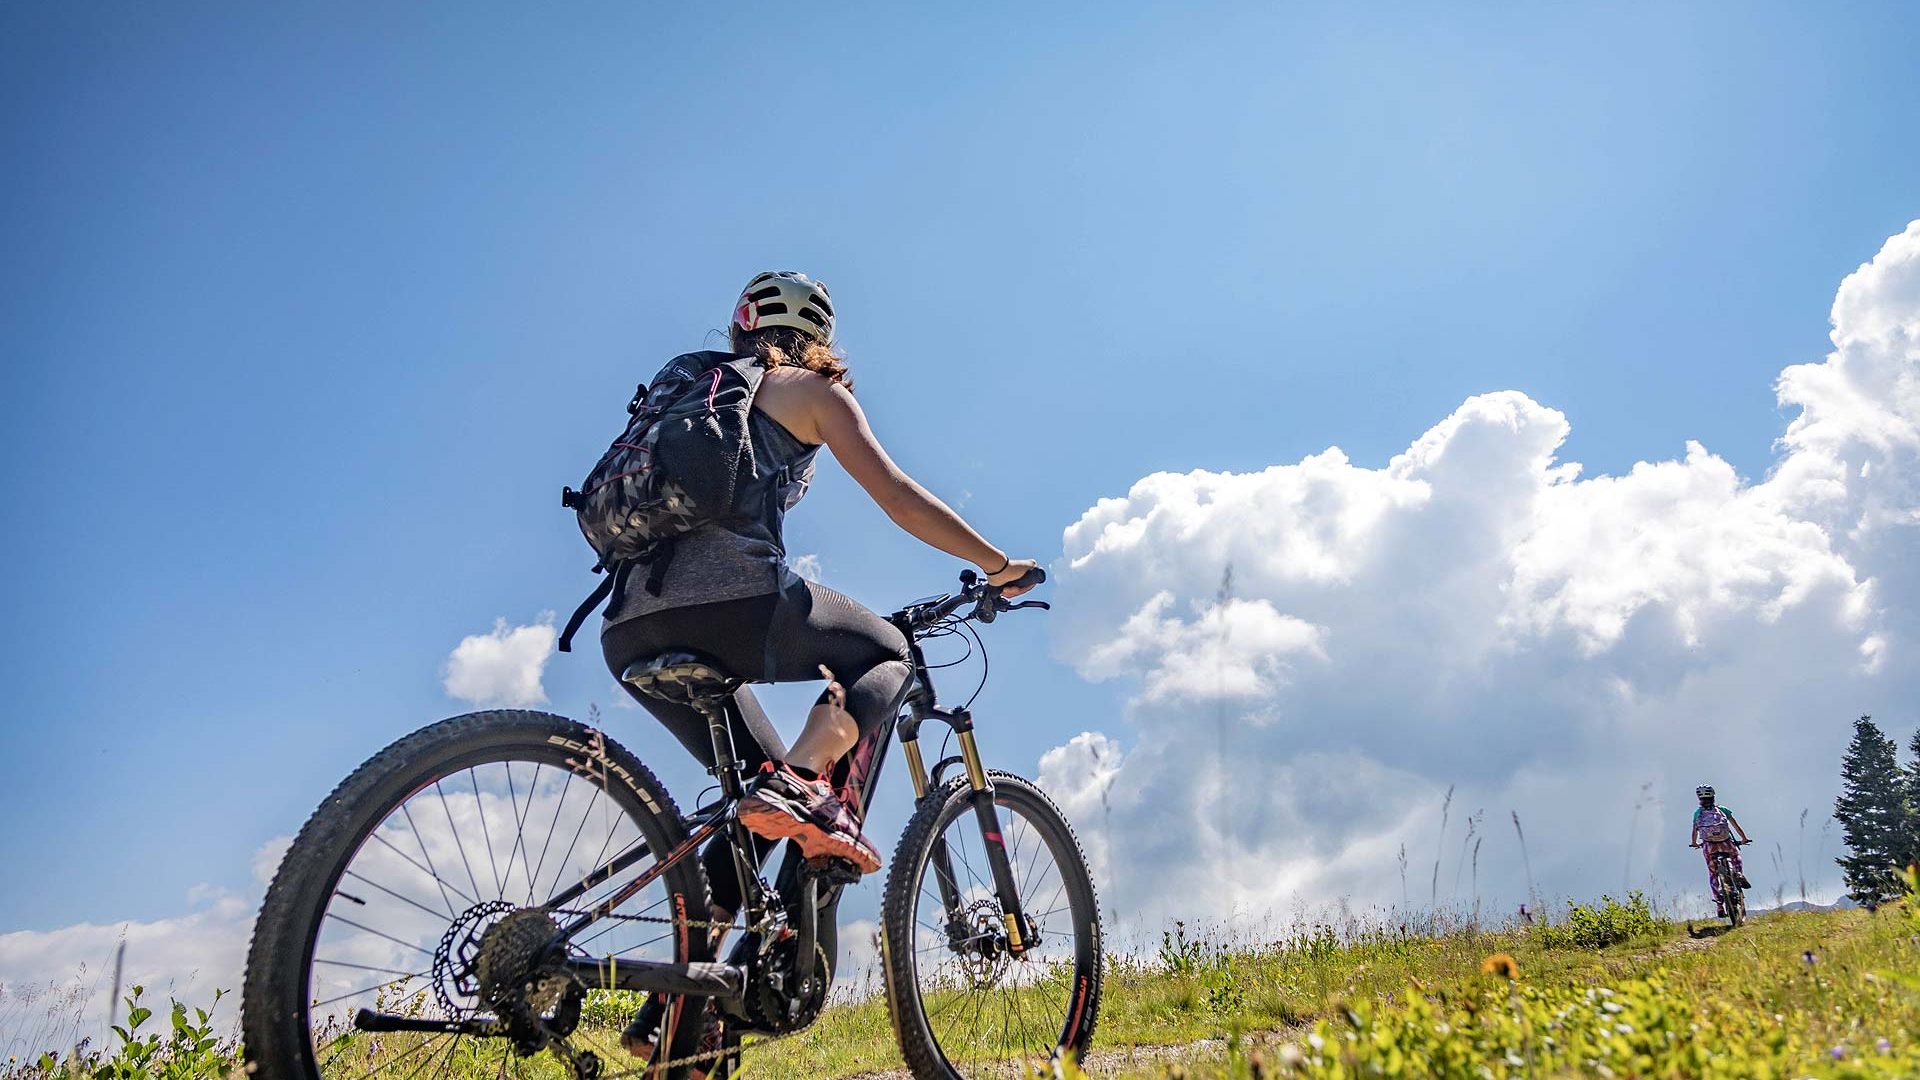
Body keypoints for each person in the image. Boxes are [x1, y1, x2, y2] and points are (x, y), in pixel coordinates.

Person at [602, 270, 1038, 1061]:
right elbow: (899, 496)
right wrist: (996, 563)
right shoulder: (806, 389)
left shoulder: (692, 396)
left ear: (741, 324)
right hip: (731, 607)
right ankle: (806, 782)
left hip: (629, 625)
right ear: (820, 338)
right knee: (886, 651)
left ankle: (676, 1013)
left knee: (752, 812)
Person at [1689, 784, 1752, 914]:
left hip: (1709, 846)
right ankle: (1739, 874)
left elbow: (1694, 831)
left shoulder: (1698, 813)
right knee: (1735, 855)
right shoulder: (1722, 810)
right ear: (1713, 796)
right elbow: (1736, 826)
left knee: (1713, 873)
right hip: (1725, 842)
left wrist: (1694, 843)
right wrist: (1744, 838)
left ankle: (1719, 905)